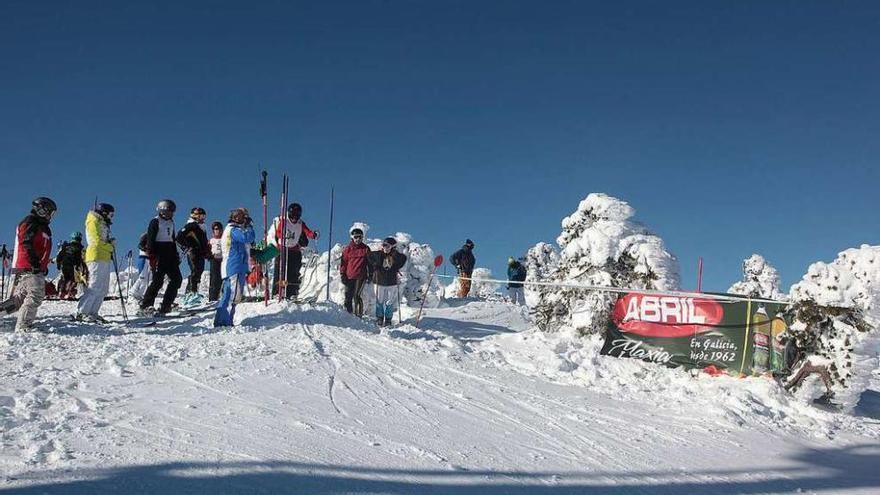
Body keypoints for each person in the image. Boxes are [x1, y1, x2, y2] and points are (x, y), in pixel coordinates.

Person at [0, 197, 56, 332]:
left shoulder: (43, 227)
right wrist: (35, 264)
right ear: (42, 210)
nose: (51, 216)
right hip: (28, 266)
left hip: (33, 267)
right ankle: (24, 325)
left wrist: (43, 266)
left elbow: (42, 249)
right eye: (49, 212)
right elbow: (26, 243)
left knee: (18, 300)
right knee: (36, 294)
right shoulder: (31, 222)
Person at [138, 199, 182, 316]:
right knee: (158, 281)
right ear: (162, 211)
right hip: (158, 253)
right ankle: (145, 306)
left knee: (177, 279)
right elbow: (151, 239)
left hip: (170, 253)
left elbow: (172, 239)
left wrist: (175, 254)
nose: (172, 214)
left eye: (173, 212)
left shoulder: (171, 222)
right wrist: (151, 254)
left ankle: (166, 305)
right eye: (170, 211)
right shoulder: (155, 222)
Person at [267, 202, 319, 300]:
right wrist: (281, 235)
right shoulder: (284, 221)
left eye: (297, 216)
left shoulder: (300, 223)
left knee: (294, 272)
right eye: (292, 216)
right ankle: (277, 292)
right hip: (283, 248)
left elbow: (307, 231)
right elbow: (278, 232)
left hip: (294, 249)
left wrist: (313, 235)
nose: (294, 218)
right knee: (280, 271)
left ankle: (292, 292)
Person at [214, 208, 255, 327]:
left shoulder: (232, 229)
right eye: (244, 217)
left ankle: (224, 320)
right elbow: (247, 238)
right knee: (232, 295)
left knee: (231, 294)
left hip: (235, 266)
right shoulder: (233, 230)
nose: (245, 220)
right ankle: (224, 322)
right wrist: (250, 227)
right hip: (235, 266)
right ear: (237, 218)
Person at [76, 203, 116, 322]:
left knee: (103, 288)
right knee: (94, 285)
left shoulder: (103, 223)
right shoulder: (93, 221)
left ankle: (93, 312)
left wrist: (110, 242)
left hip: (104, 257)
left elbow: (103, 239)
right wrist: (110, 247)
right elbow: (95, 241)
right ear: (104, 212)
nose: (111, 217)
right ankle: (82, 312)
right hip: (95, 256)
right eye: (110, 214)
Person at [367, 237, 407, 327]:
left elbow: (403, 258)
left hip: (391, 282)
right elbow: (369, 256)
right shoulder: (379, 254)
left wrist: (394, 254)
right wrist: (375, 264)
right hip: (379, 281)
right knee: (379, 301)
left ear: (392, 247)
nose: (385, 248)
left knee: (389, 302)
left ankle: (388, 319)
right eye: (384, 245)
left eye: (387, 246)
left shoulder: (396, 256)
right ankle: (380, 318)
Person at [177, 207, 210, 304]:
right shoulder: (190, 225)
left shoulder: (202, 227)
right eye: (200, 215)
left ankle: (194, 294)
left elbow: (203, 242)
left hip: (200, 253)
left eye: (204, 216)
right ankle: (190, 294)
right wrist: (187, 247)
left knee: (199, 271)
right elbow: (179, 237)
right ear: (194, 215)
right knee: (195, 271)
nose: (203, 218)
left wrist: (207, 252)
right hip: (193, 252)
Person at [339, 227, 370, 316]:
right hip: (349, 276)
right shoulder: (347, 249)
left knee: (356, 296)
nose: (358, 239)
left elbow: (370, 262)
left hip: (361, 277)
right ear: (352, 237)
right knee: (348, 296)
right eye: (356, 237)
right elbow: (343, 263)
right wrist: (342, 274)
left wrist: (370, 274)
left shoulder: (365, 248)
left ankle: (358, 315)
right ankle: (348, 314)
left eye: (360, 237)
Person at [55, 232, 86, 300]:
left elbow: (59, 256)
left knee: (65, 279)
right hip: (73, 266)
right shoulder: (80, 248)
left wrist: (58, 264)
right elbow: (81, 259)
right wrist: (82, 268)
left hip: (64, 265)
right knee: (74, 280)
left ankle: (62, 293)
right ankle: (71, 293)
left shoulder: (66, 246)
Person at [207, 221, 224, 302]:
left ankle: (223, 297)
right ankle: (212, 299)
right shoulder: (211, 240)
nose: (217, 230)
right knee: (214, 279)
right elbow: (207, 249)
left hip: (223, 260)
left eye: (218, 229)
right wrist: (209, 255)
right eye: (215, 229)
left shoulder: (224, 239)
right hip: (214, 260)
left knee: (222, 279)